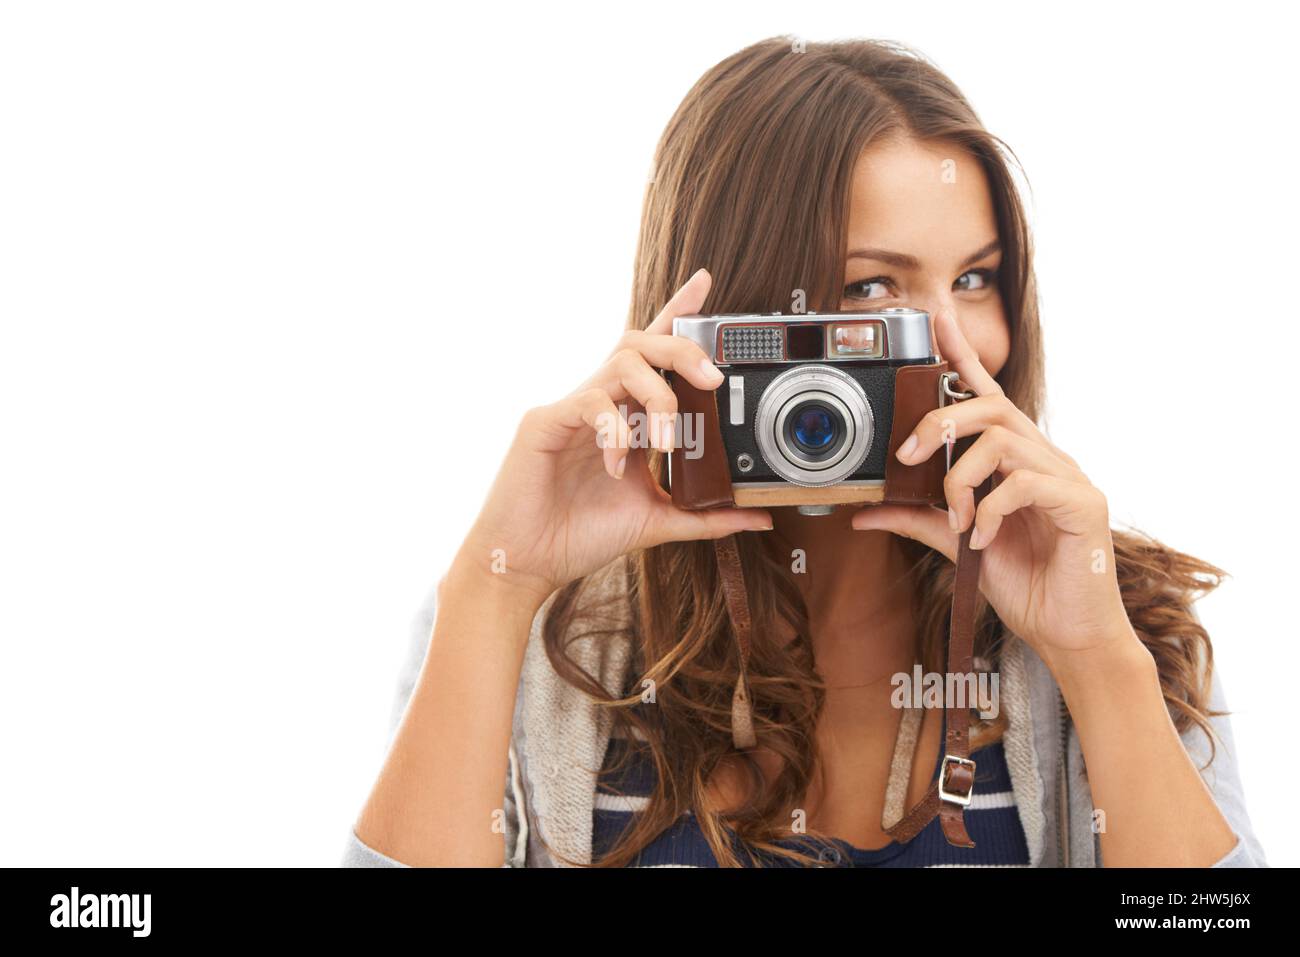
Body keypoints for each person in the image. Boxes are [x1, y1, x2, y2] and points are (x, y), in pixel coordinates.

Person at [343, 35, 1266, 868]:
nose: (955, 343)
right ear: (731, 325)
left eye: (976, 278)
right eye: (873, 287)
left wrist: (1097, 657)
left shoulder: (1117, 613)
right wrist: (494, 588)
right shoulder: (539, 631)